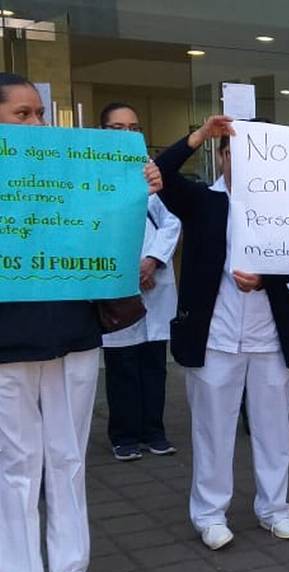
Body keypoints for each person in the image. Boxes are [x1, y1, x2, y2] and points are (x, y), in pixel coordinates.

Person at [0, 74, 162, 572]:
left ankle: (70, 568)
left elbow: (110, 221)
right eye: (22, 115)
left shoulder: (70, 168)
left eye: (39, 114)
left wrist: (139, 183)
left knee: (67, 456)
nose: (36, 125)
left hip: (72, 330)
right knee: (17, 461)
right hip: (8, 339)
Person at [155, 115, 289, 551]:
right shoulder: (202, 200)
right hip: (215, 337)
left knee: (273, 429)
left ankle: (275, 508)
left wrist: (265, 279)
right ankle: (209, 513)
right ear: (222, 156)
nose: (244, 163)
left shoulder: (287, 206)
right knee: (212, 429)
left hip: (270, 337)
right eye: (234, 152)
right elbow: (161, 174)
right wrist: (198, 135)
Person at [98, 102, 182, 462]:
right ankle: (124, 435)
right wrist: (130, 268)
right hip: (118, 281)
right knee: (122, 365)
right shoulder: (93, 176)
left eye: (134, 127)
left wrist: (152, 261)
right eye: (117, 128)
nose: (127, 134)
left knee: (153, 362)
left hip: (155, 281)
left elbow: (172, 221)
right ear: (102, 133)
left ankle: (154, 431)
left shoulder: (152, 173)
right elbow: (95, 228)